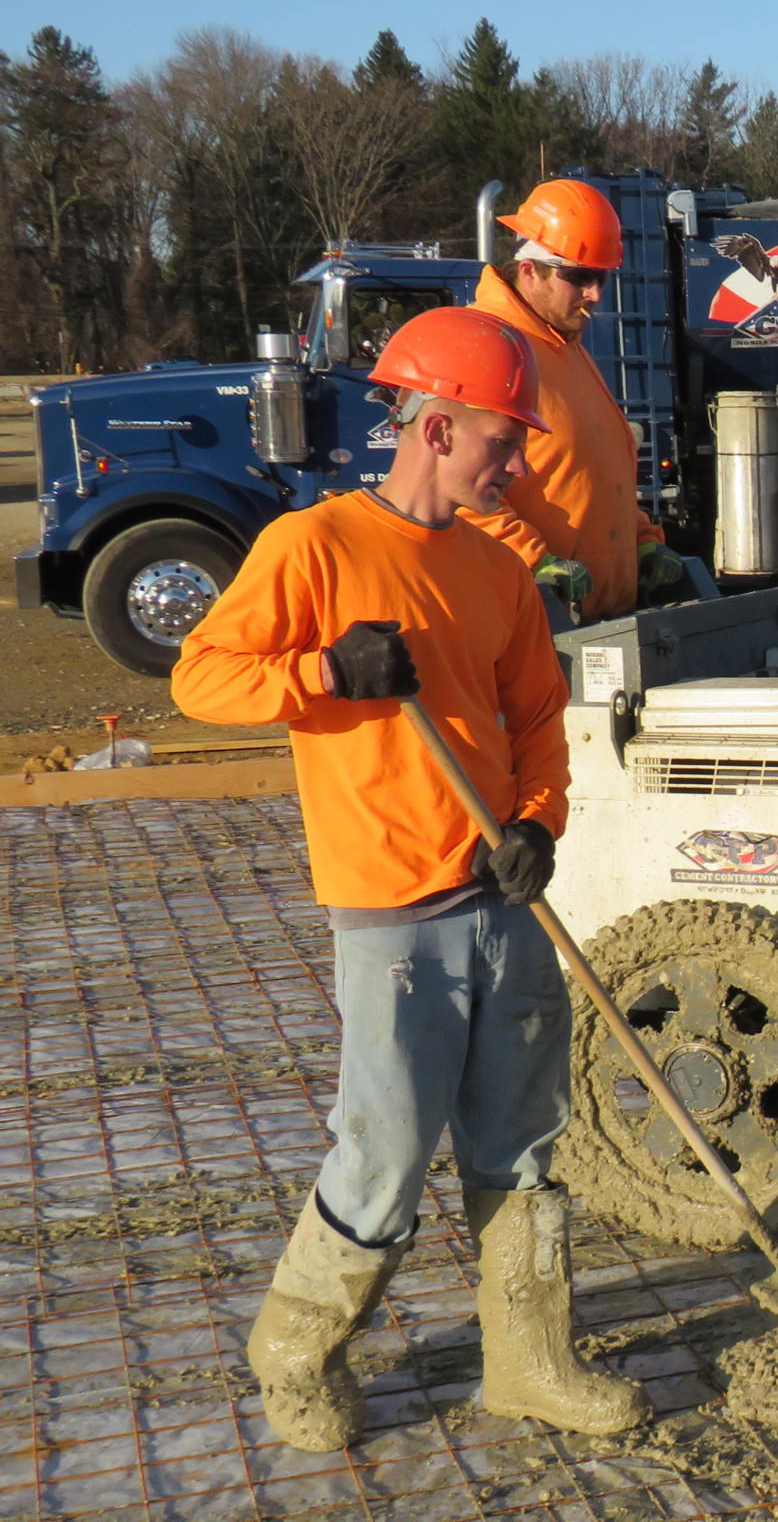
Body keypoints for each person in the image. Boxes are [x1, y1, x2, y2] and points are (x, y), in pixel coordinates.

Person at [171, 306, 649, 1453]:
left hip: (503, 900)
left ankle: (530, 1365)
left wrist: (537, 824)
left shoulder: (495, 567)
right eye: (503, 434)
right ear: (435, 426)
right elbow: (201, 678)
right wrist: (326, 666)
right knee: (385, 1155)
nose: (517, 456)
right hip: (392, 912)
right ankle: (293, 1350)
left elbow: (539, 721)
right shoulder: (315, 549)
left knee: (523, 1145)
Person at [468, 178, 681, 628]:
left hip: (600, 621)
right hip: (537, 627)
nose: (595, 295)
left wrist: (642, 539)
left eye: (600, 277)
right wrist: (532, 561)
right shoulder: (489, 349)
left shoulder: (567, 349)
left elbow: (595, 470)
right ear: (530, 270)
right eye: (579, 277)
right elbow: (459, 489)